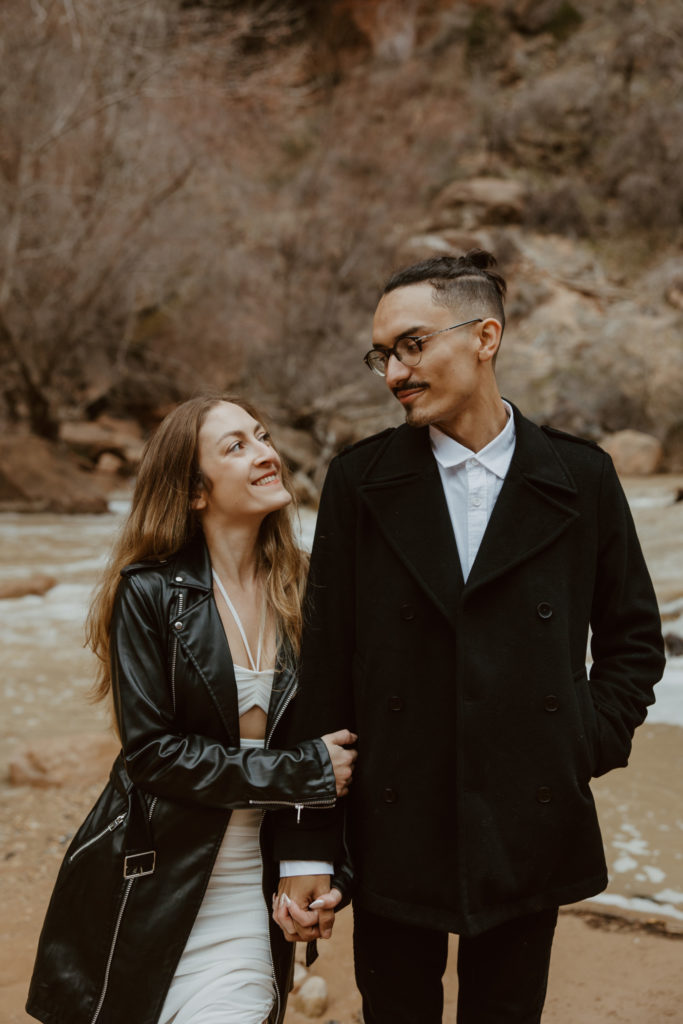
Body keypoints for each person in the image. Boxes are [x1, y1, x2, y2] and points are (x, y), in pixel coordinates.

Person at [272, 250, 666, 1023]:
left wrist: (579, 741)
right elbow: (323, 668)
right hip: (392, 818)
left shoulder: (580, 477)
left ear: (485, 337)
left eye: (412, 345)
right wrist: (309, 845)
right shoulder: (359, 481)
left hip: (529, 816)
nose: (392, 371)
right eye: (382, 354)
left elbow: (631, 640)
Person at [26, 394, 357, 1024]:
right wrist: (299, 772)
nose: (266, 454)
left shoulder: (312, 592)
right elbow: (153, 754)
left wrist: (324, 867)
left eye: (262, 436)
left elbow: (345, 746)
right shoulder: (147, 594)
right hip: (147, 888)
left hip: (248, 900)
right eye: (237, 446)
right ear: (195, 491)